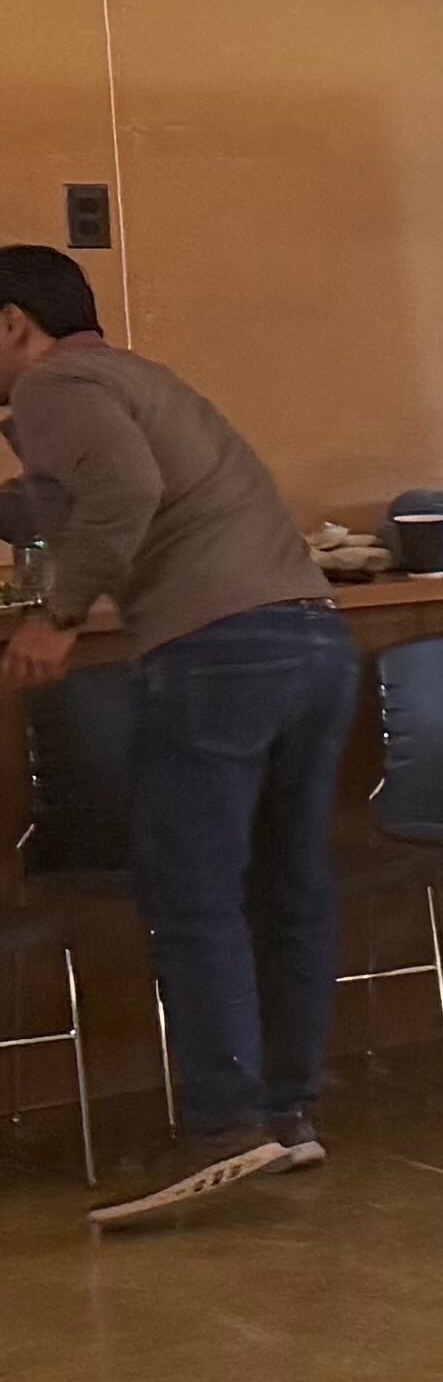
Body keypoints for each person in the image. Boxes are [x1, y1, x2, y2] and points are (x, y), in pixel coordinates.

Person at [0, 247, 360, 1230]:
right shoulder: (131, 375)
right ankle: (284, 1114)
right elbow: (87, 495)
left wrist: (59, 615)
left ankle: (223, 1123)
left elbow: (121, 493)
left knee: (193, 895)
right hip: (311, 639)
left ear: (12, 324)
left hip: (217, 650)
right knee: (285, 886)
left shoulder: (55, 385)